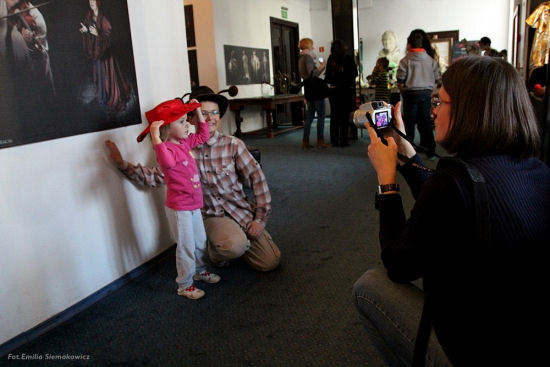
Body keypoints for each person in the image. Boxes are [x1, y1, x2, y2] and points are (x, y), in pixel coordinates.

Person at [354, 56, 549, 366]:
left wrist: (386, 181)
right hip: (521, 337)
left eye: (440, 101)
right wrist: (409, 155)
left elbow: (399, 263)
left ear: (468, 112)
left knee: (368, 286)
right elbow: (450, 202)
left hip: (472, 347)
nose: (432, 111)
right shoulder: (538, 171)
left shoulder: (452, 183)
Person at [106, 86, 281, 272]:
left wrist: (260, 220)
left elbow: (257, 180)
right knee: (234, 245)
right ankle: (213, 250)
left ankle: (234, 243)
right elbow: (155, 177)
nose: (209, 118)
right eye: (202, 113)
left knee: (269, 262)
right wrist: (123, 165)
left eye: (214, 112)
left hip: (241, 211)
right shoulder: (181, 150)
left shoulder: (233, 144)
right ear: (191, 118)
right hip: (211, 216)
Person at [140, 97, 220, 299]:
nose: (188, 125)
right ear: (166, 129)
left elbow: (203, 134)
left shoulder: (185, 142)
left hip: (194, 204)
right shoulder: (165, 149)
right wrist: (156, 138)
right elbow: (166, 164)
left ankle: (201, 271)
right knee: (186, 245)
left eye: (187, 120)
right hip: (180, 208)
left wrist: (198, 110)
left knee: (200, 241)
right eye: (182, 122)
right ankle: (184, 284)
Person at [80, 0, 131, 114]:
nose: (91, 3)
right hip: (96, 54)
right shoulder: (88, 16)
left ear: (98, 2)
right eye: (90, 1)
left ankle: (108, 98)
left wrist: (98, 34)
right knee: (98, 76)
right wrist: (85, 31)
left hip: (105, 55)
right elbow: (89, 31)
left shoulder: (103, 19)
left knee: (106, 76)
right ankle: (102, 98)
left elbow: (109, 37)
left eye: (93, 1)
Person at [397, 29, 440, 160]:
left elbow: (400, 80)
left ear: (409, 44)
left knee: (409, 123)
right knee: (426, 122)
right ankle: (431, 151)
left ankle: (408, 153)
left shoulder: (405, 61)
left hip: (410, 94)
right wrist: (429, 91)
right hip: (426, 94)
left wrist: (404, 91)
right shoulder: (431, 60)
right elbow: (438, 80)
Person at [324, 39, 357, 147]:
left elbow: (327, 76)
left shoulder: (331, 59)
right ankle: (343, 139)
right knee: (344, 116)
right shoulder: (348, 59)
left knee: (334, 115)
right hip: (346, 90)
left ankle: (334, 140)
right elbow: (354, 74)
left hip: (334, 90)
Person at [298, 37, 329, 149]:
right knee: (321, 115)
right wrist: (322, 66)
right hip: (315, 89)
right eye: (311, 45)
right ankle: (320, 141)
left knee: (310, 116)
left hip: (308, 89)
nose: (313, 47)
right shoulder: (308, 57)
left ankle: (305, 141)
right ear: (308, 46)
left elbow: (307, 75)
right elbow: (312, 74)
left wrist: (321, 68)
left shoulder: (300, 57)